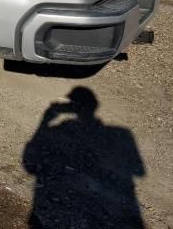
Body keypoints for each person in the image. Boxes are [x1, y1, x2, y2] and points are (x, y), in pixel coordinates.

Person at [23, 86, 145, 228]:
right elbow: (139, 171)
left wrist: (46, 120)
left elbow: (30, 163)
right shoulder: (121, 134)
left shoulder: (62, 129)